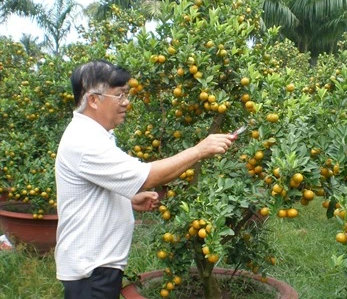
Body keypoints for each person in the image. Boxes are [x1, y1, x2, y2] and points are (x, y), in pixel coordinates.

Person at [54, 59, 234, 299]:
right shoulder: (84, 141)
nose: (126, 102)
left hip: (97, 265)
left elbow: (93, 188)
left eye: (126, 95)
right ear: (94, 99)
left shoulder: (97, 134)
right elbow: (147, 176)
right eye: (119, 95)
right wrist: (200, 150)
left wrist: (127, 199)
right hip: (91, 270)